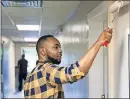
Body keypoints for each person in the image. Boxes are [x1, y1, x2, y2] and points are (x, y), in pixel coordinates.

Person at [24, 28, 112, 98]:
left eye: (60, 47)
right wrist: (98, 43)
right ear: (43, 51)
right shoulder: (46, 70)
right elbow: (75, 72)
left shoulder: (29, 76)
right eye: (56, 47)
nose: (60, 51)